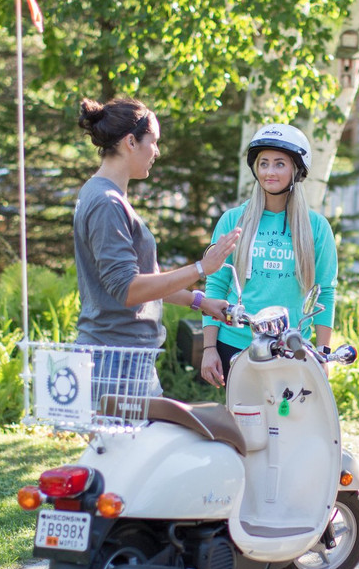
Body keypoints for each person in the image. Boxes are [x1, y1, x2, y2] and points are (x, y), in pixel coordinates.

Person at [73, 96, 241, 394]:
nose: (157, 151)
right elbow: (128, 290)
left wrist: (201, 302)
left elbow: (146, 282)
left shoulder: (103, 195)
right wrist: (202, 267)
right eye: (154, 141)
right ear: (131, 142)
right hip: (114, 362)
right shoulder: (106, 203)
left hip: (124, 358)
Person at [200, 124, 338, 386]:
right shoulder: (233, 220)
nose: (269, 172)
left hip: (294, 347)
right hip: (235, 346)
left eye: (279, 164)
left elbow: (325, 292)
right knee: (244, 424)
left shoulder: (316, 227)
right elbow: (216, 284)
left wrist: (323, 353)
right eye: (263, 164)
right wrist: (209, 348)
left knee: (289, 423)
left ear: (296, 169)